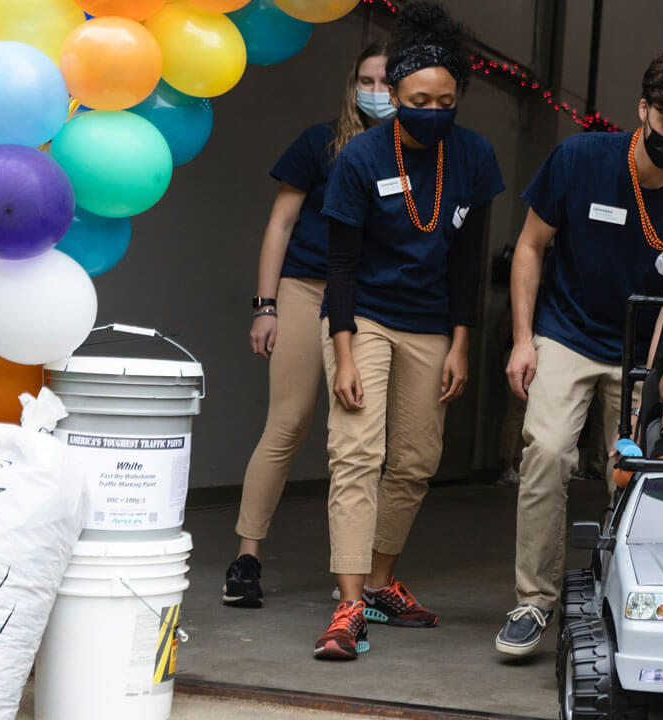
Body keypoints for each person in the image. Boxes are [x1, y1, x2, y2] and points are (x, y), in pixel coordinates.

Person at [497, 51, 663, 657]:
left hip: (640, 346)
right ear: (643, 109)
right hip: (565, 332)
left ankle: (633, 597)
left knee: (637, 470)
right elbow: (529, 248)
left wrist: (649, 380)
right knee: (546, 452)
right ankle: (533, 601)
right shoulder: (580, 158)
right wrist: (524, 340)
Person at [313, 2, 505, 661]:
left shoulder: (474, 157)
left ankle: (380, 581)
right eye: (418, 98)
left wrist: (462, 341)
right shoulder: (362, 157)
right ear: (393, 94)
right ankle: (347, 607)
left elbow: (468, 259)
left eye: (445, 99)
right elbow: (339, 263)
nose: (432, 109)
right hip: (361, 316)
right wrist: (342, 353)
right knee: (357, 453)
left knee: (417, 459)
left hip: (431, 326)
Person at [223, 41, 393, 609]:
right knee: (288, 423)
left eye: (388, 82)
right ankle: (247, 557)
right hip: (305, 287)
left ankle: (361, 576)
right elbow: (282, 222)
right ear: (353, 84)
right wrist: (265, 305)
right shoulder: (321, 142)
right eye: (367, 80)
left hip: (367, 300)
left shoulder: (415, 154)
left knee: (359, 440)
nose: (377, 92)